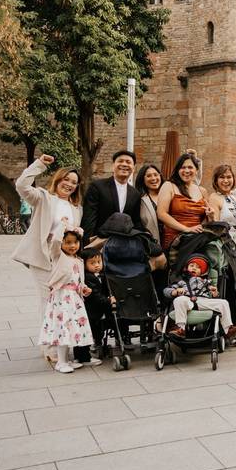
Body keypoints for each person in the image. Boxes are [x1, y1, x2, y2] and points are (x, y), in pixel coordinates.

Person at [12, 155, 83, 329]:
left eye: (74, 182)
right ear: (58, 180)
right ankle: (49, 346)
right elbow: (21, 186)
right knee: (48, 300)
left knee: (63, 299)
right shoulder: (43, 198)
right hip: (44, 256)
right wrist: (40, 164)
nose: (69, 185)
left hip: (63, 259)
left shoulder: (76, 208)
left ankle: (62, 340)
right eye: (66, 179)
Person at [39, 229, 94, 374]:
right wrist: (62, 227)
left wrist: (84, 288)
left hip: (74, 299)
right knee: (62, 328)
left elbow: (78, 280)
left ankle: (66, 360)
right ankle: (61, 362)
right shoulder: (58, 256)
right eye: (68, 242)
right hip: (62, 297)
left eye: (75, 242)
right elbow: (55, 242)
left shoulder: (78, 260)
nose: (72, 246)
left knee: (71, 328)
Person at [163, 254, 235, 338]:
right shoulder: (181, 281)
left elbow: (213, 295)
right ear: (186, 268)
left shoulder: (206, 282)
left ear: (202, 271)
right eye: (192, 265)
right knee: (179, 300)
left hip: (203, 301)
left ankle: (228, 330)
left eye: (197, 267)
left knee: (223, 303)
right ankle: (181, 329)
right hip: (187, 300)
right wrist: (175, 291)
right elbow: (166, 291)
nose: (194, 268)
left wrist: (215, 293)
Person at [81, 150, 142, 246]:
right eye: (120, 161)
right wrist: (87, 244)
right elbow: (89, 217)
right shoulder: (97, 186)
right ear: (113, 166)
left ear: (133, 168)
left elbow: (136, 221)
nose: (124, 164)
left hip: (124, 244)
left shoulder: (135, 194)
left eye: (128, 162)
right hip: (100, 242)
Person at [157, 153, 209, 250]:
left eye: (190, 167)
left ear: (196, 170)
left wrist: (211, 215)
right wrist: (187, 229)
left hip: (197, 239)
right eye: (183, 167)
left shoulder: (203, 191)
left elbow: (206, 218)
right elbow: (161, 214)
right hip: (175, 240)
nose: (186, 170)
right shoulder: (169, 186)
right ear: (177, 170)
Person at [75, 249, 109, 366]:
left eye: (99, 262)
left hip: (94, 310)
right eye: (92, 263)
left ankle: (81, 355)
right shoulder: (89, 278)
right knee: (88, 331)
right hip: (90, 310)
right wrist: (108, 300)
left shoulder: (100, 275)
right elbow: (95, 295)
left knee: (91, 330)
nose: (97, 265)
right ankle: (84, 356)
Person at [208, 164, 236, 249]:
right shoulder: (214, 197)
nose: (226, 180)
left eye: (229, 177)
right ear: (216, 180)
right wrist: (212, 217)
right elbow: (214, 228)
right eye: (222, 177)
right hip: (224, 244)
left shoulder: (233, 197)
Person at [134, 164, 165, 245]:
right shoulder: (139, 200)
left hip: (172, 241)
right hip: (152, 244)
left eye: (156, 175)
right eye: (148, 176)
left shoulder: (169, 195)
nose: (153, 178)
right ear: (142, 179)